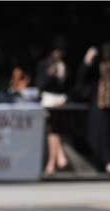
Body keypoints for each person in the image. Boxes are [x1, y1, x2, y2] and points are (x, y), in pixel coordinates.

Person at [78, 42, 110, 174]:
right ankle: (105, 162)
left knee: (108, 132)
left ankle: (109, 161)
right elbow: (82, 78)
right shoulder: (95, 67)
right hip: (99, 103)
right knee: (99, 133)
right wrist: (87, 61)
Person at [36, 44, 70, 174]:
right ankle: (57, 159)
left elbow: (68, 86)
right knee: (53, 129)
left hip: (61, 101)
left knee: (55, 129)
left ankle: (53, 162)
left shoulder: (64, 65)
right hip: (48, 100)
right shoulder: (44, 65)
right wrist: (50, 74)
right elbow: (41, 84)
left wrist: (62, 75)